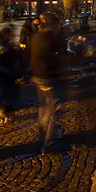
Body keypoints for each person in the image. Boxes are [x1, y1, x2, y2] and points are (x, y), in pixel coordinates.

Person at [30, 13, 67, 152]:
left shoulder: (37, 36)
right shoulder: (51, 39)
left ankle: (42, 137)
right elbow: (60, 55)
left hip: (37, 74)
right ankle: (48, 142)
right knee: (53, 109)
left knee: (42, 107)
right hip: (48, 77)